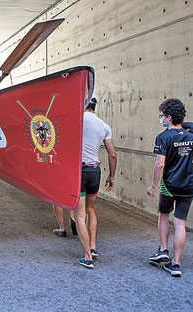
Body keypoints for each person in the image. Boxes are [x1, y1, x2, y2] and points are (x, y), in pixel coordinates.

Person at [147, 98, 193, 278]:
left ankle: (164, 250)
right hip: (189, 184)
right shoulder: (192, 136)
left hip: (170, 184)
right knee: (180, 222)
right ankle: (176, 263)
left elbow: (160, 164)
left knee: (164, 215)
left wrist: (153, 186)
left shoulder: (163, 137)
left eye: (162, 116)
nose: (161, 119)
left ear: (168, 117)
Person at [74, 97, 116, 269]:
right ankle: (93, 246)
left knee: (80, 215)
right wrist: (111, 177)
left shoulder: (76, 121)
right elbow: (112, 154)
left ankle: (87, 257)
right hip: (94, 171)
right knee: (91, 209)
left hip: (78, 171)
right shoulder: (104, 126)